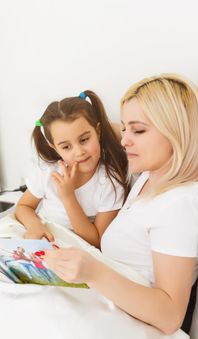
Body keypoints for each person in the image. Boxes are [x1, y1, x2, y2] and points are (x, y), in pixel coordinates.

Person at [43, 73, 198, 335]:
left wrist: (91, 271)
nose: (125, 139)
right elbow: (104, 128)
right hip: (104, 298)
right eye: (125, 128)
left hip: (123, 324)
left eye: (137, 130)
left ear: (177, 131)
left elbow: (170, 315)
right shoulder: (158, 171)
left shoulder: (180, 208)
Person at [15, 90, 130, 247]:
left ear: (97, 131)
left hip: (76, 247)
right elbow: (23, 206)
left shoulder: (110, 182)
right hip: (42, 235)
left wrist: (68, 197)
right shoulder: (48, 171)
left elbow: (96, 241)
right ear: (54, 147)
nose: (79, 152)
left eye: (84, 140)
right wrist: (35, 227)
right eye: (66, 147)